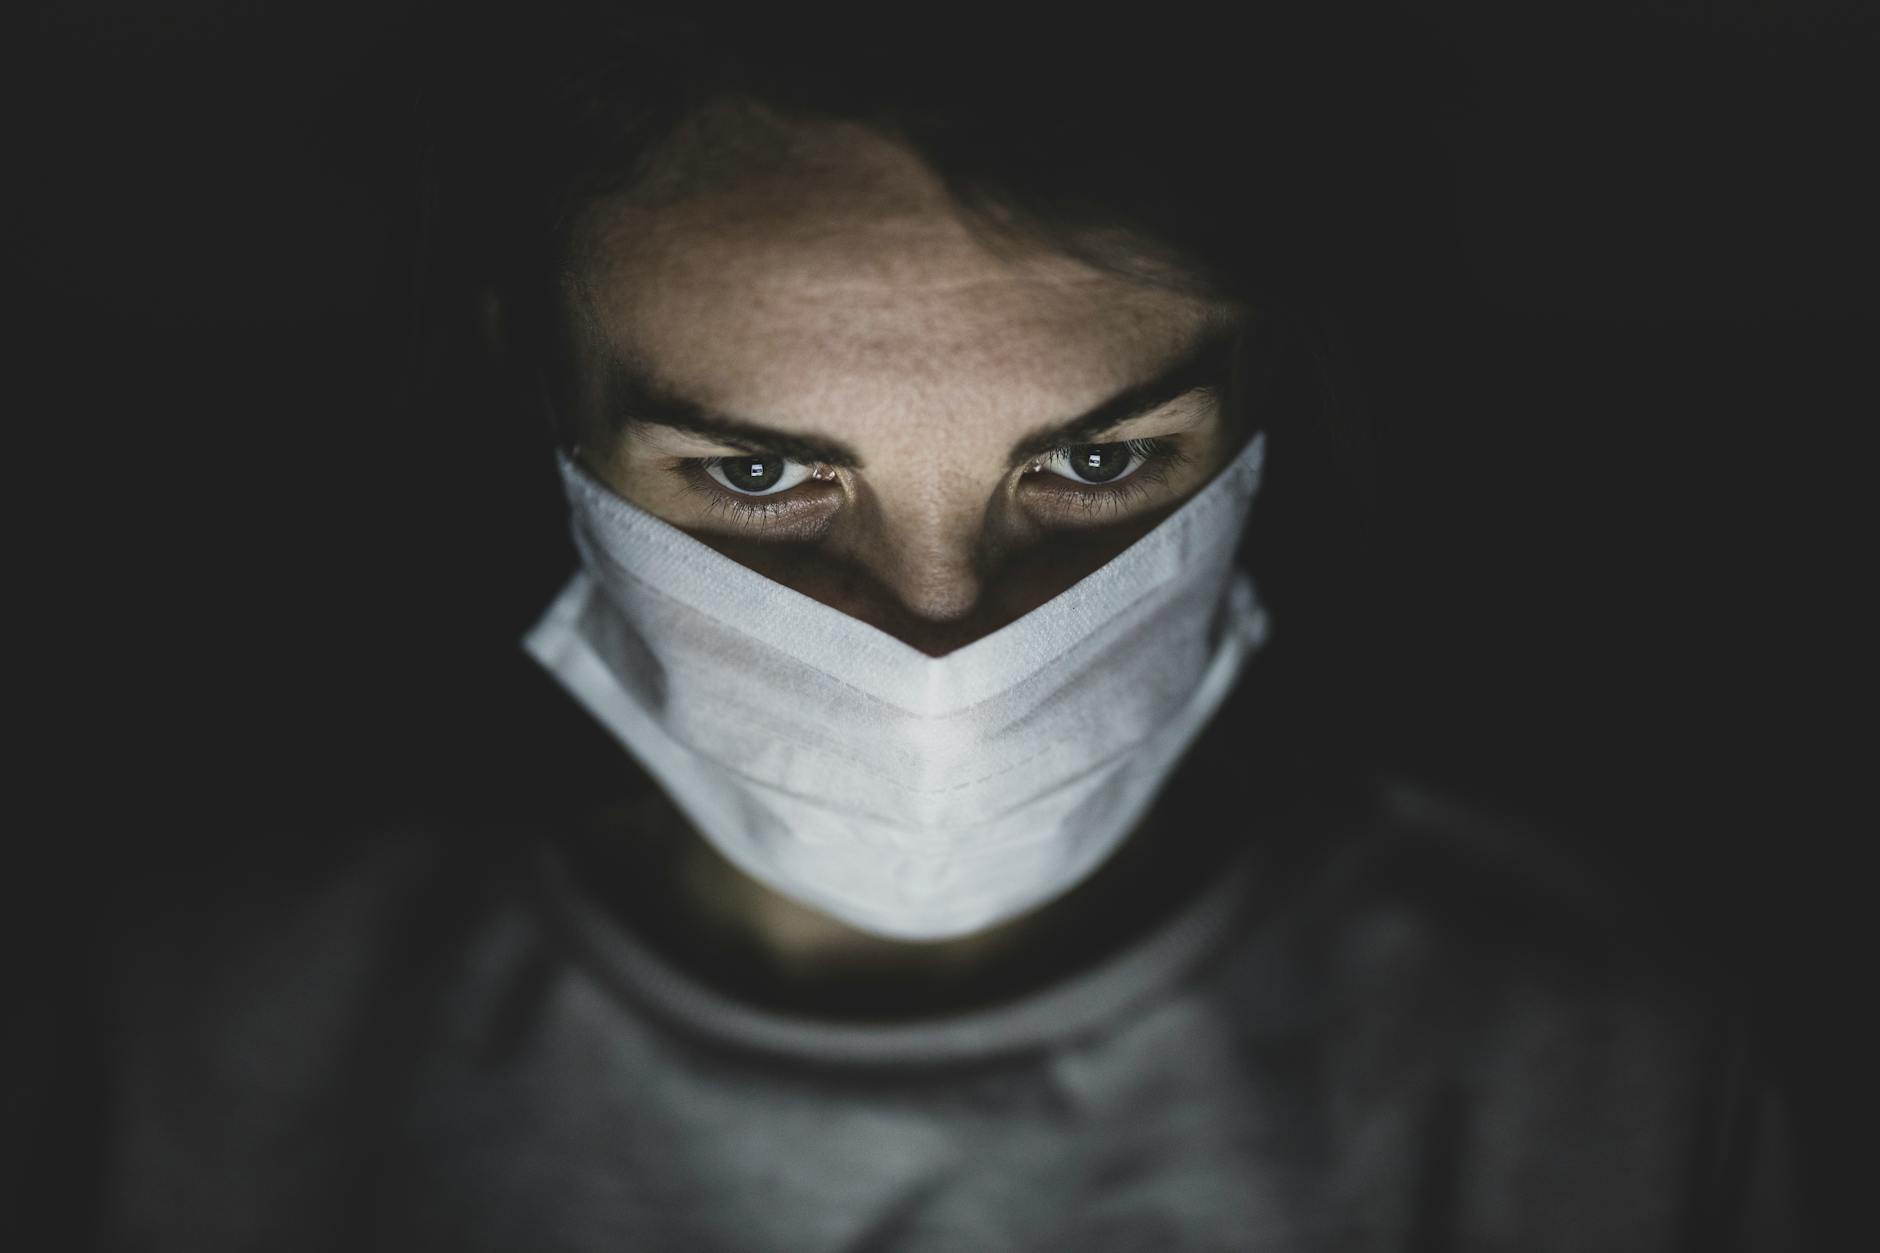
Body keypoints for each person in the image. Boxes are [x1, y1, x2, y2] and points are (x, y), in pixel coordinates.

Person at [27, 4, 1801, 1249]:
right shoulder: (195, 1043)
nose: (945, 637)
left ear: (1265, 410)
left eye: (1099, 459)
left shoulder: (1596, 1079)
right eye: (761, 476)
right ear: (546, 400)